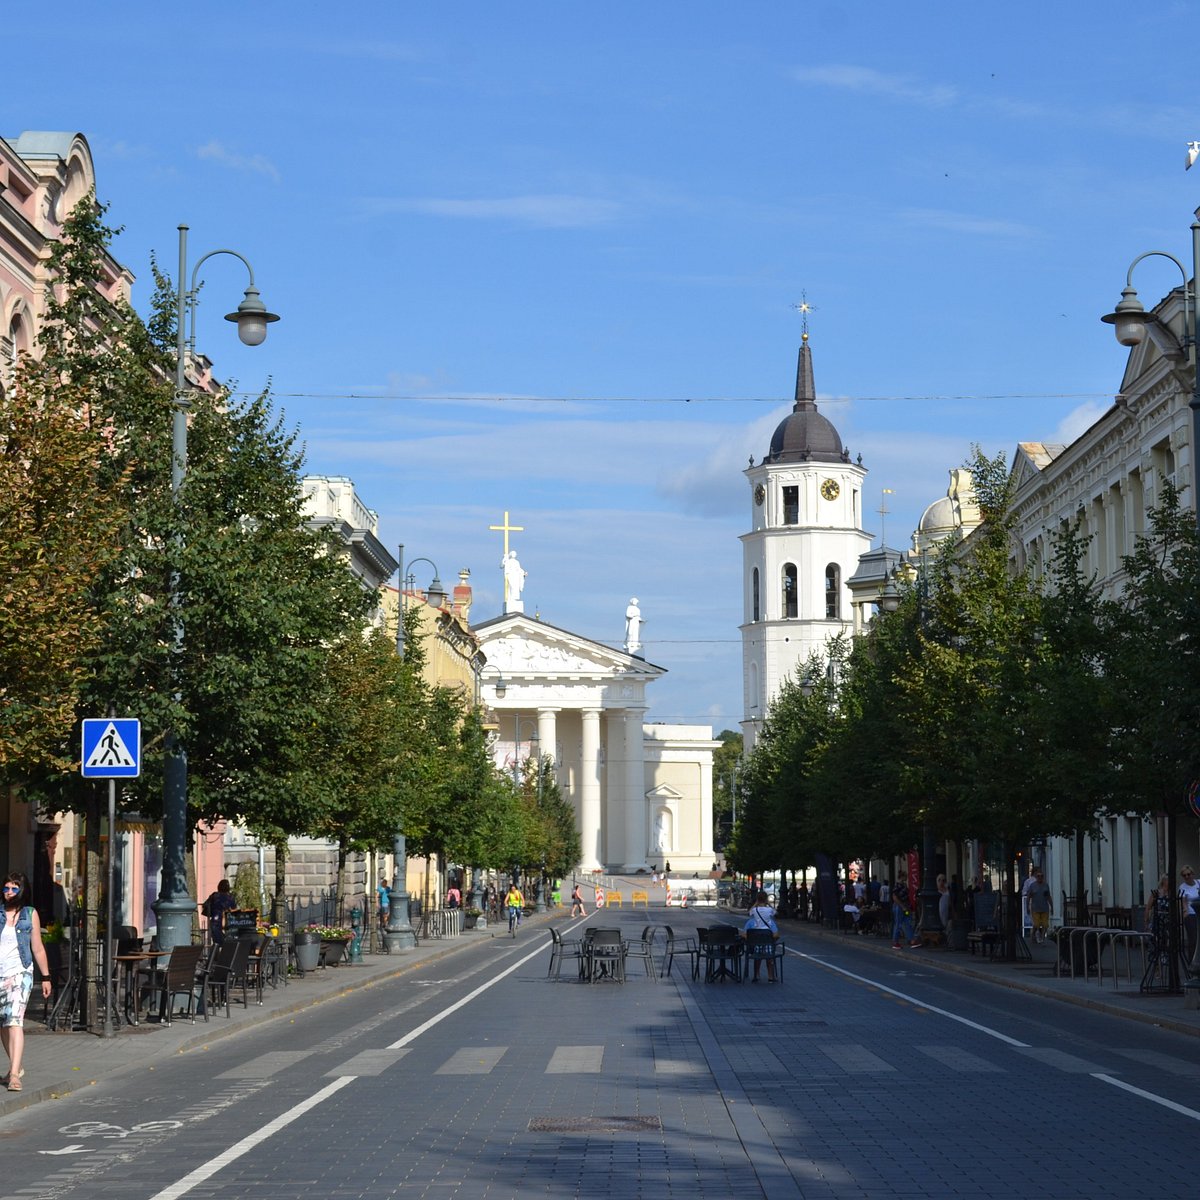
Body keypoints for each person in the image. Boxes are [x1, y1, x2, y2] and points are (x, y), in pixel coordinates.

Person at [1, 872, 52, 1092]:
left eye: (13, 888)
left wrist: (46, 976)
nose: (9, 892)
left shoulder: (30, 914)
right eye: (6, 888)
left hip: (21, 973)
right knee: (3, 1023)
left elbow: (37, 948)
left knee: (14, 1020)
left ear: (22, 891)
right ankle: (17, 1064)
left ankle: (14, 1075)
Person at [743, 890, 779, 981]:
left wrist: (756, 903)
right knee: (769, 957)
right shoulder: (769, 910)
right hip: (767, 936)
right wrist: (769, 904)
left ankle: (756, 975)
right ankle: (770, 976)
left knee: (757, 957)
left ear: (757, 899)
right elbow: (776, 913)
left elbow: (749, 912)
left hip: (757, 937)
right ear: (766, 899)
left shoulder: (755, 910)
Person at [203, 878, 236, 945]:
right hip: (228, 919)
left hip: (216, 918)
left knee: (216, 937)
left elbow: (205, 904)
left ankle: (218, 948)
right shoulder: (230, 897)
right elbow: (234, 908)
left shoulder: (214, 895)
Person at [1026, 869, 1053, 944]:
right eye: (1038, 876)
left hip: (1044, 908)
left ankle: (1042, 937)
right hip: (1035, 908)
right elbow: (1028, 897)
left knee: (1045, 924)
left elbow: (1048, 896)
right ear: (1036, 877)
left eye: (1041, 876)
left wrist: (1052, 906)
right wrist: (1027, 907)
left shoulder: (1046, 885)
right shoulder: (1032, 886)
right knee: (1036, 924)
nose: (1040, 878)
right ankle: (1034, 935)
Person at [1180, 867, 1200, 962]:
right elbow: (1183, 901)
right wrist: (1185, 911)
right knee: (1193, 939)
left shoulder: (1198, 883)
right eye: (1184, 875)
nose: (1187, 877)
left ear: (1192, 874)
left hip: (1199, 913)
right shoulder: (1183, 887)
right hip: (1191, 914)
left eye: (1189, 874)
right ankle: (1192, 961)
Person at [891, 883, 920, 948]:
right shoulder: (898, 886)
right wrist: (903, 907)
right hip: (901, 907)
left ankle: (911, 940)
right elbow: (895, 897)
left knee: (906, 922)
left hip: (904, 907)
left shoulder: (902, 885)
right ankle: (896, 941)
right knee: (900, 923)